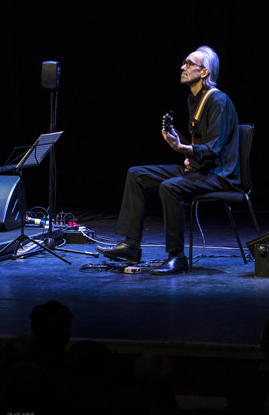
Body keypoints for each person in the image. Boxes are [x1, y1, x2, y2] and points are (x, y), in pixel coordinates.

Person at [97, 45, 240, 275]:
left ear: (204, 72)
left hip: (220, 175)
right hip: (200, 170)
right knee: (137, 174)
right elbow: (198, 147)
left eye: (189, 64)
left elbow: (214, 149)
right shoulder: (193, 100)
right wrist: (179, 141)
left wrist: (183, 147)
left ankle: (177, 257)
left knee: (169, 187)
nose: (183, 67)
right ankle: (131, 245)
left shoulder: (218, 101)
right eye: (184, 63)